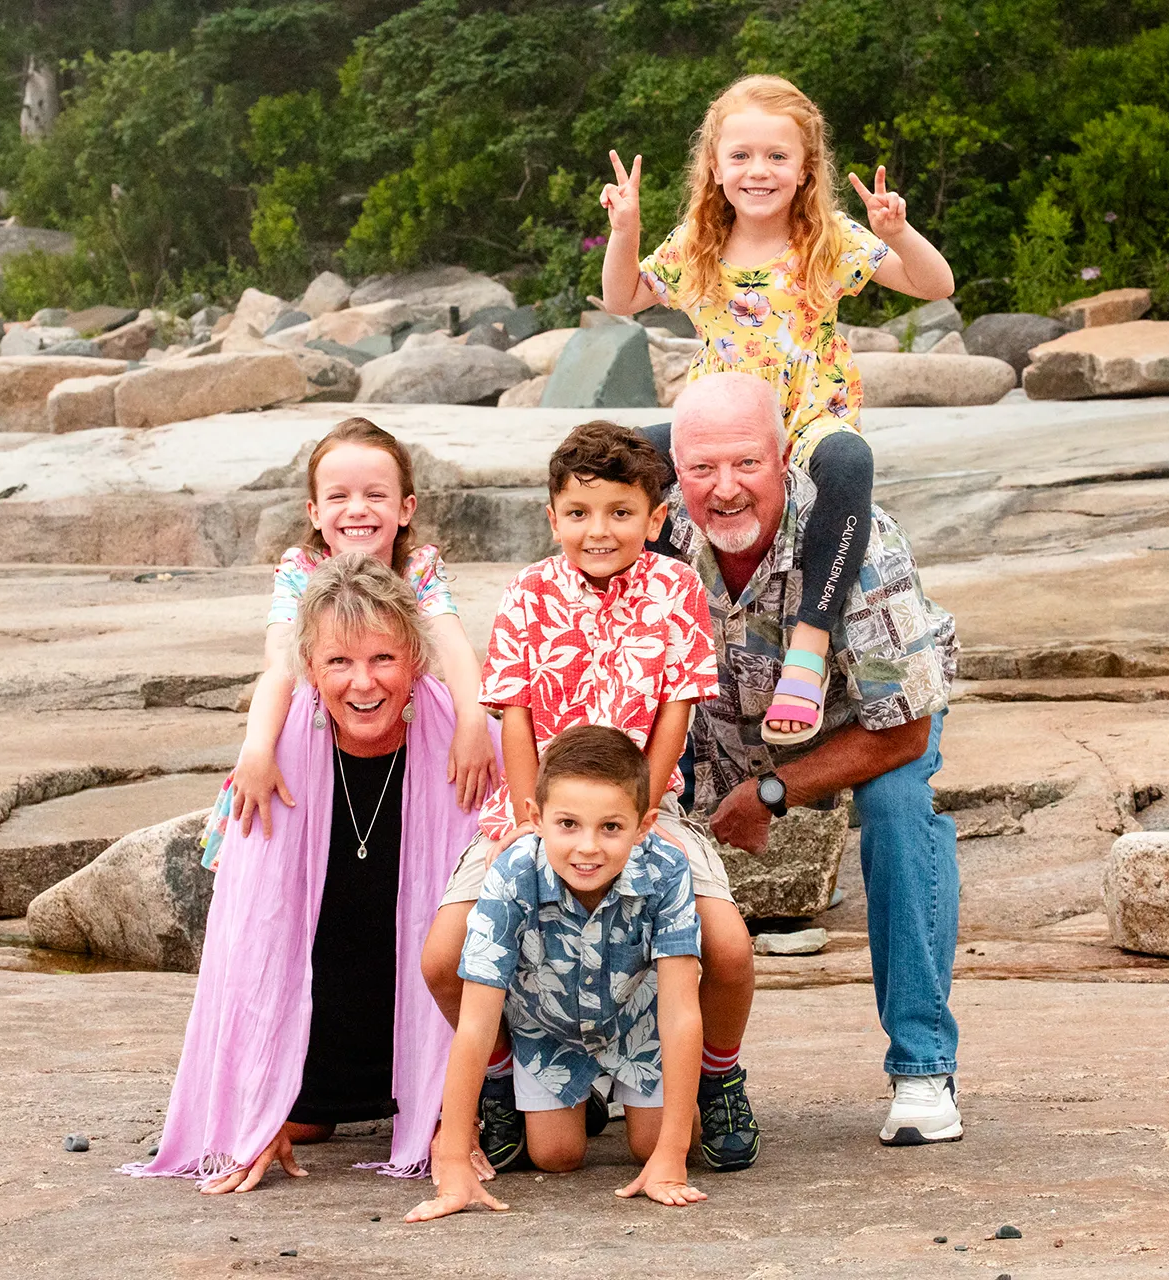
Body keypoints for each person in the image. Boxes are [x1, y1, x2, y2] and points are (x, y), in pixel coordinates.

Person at [418, 422, 761, 1176]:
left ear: (656, 518)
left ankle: (718, 1071)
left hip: (643, 808)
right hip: (538, 807)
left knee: (729, 946)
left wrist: (640, 816)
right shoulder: (531, 592)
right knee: (444, 957)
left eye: (619, 513)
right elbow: (512, 710)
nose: (597, 531)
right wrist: (523, 815)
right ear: (552, 516)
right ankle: (506, 1079)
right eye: (578, 513)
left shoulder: (674, 589)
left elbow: (677, 708)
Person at [599, 73, 956, 748]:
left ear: (805, 168)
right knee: (616, 461)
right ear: (714, 165)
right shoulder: (697, 241)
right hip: (722, 419)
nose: (757, 171)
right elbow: (623, 299)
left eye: (776, 157)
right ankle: (615, 634)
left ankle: (809, 647)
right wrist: (626, 230)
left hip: (806, 413)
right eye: (740, 156)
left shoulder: (828, 237)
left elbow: (934, 286)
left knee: (849, 459)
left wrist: (900, 232)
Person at [124, 553, 491, 1189]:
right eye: (338, 663)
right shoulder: (278, 752)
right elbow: (253, 941)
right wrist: (256, 1110)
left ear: (416, 660)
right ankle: (306, 1097)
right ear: (311, 672)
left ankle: (438, 1099)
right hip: (329, 1020)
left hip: (439, 1022)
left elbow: (498, 927)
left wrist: (451, 1117)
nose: (363, 683)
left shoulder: (465, 742)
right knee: (301, 1117)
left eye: (383, 659)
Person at [665, 371, 965, 1146]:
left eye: (746, 465)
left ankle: (923, 1068)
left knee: (901, 806)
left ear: (784, 457)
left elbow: (903, 731)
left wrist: (771, 792)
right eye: (701, 469)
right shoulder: (655, 531)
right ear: (674, 466)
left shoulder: (861, 546)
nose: (724, 490)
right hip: (704, 736)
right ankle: (614, 1060)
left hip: (856, 730)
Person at [406, 725, 707, 1222]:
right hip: (549, 1029)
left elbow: (679, 1013)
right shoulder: (511, 874)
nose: (587, 847)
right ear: (535, 817)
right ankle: (581, 1097)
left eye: (611, 827)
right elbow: (478, 1021)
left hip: (638, 1024)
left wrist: (670, 1160)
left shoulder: (667, 868)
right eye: (568, 824)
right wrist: (454, 1157)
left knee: (656, 1143)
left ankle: (671, 1103)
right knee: (556, 1156)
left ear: (644, 824)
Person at [199, 417, 497, 868]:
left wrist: (472, 724)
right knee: (286, 713)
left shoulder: (417, 568)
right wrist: (257, 750)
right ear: (316, 513)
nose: (357, 509)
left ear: (405, 508)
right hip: (322, 723)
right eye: (339, 496)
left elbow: (453, 647)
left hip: (399, 722)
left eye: (375, 495)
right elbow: (280, 665)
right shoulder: (302, 568)